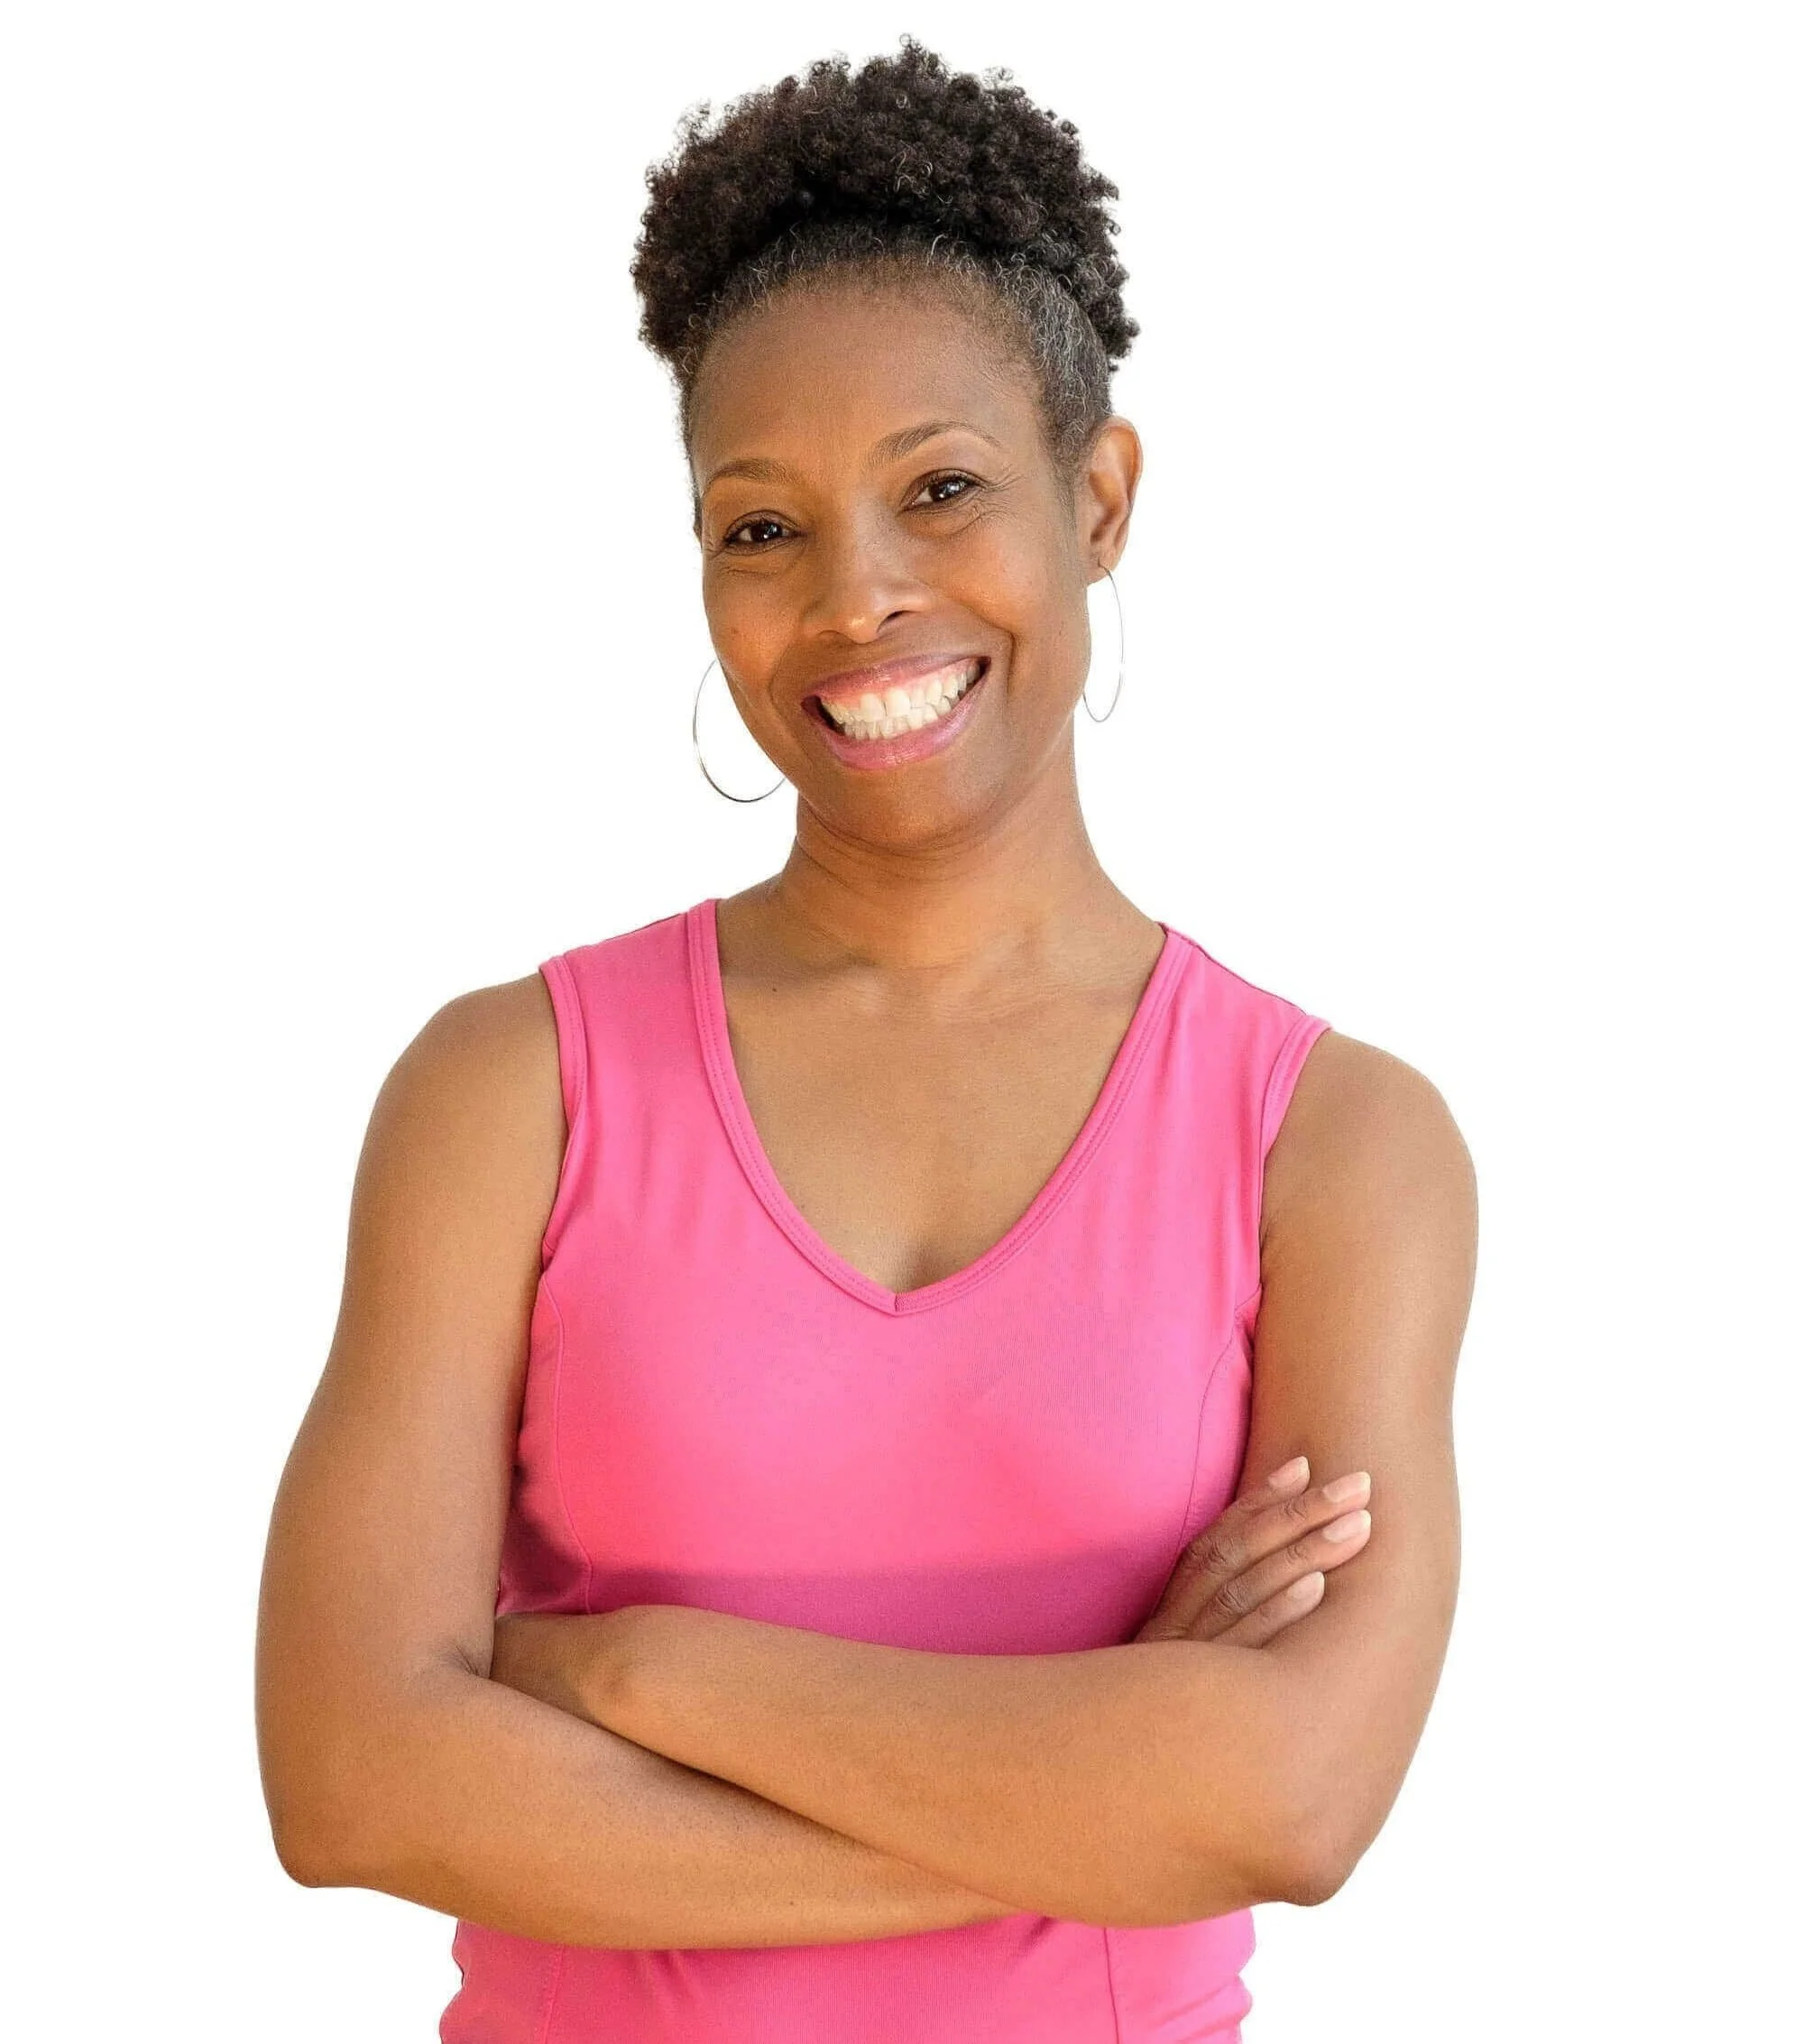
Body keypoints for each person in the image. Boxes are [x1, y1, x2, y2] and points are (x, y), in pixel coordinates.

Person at [254, 38, 1476, 2043]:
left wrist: (632, 1674)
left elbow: (1292, 1793)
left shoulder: (1332, 1142)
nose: (858, 598)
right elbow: (349, 1777)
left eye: (941, 487)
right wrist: (1100, 1780)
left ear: (1099, 498)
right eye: (762, 527)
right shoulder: (509, 1092)